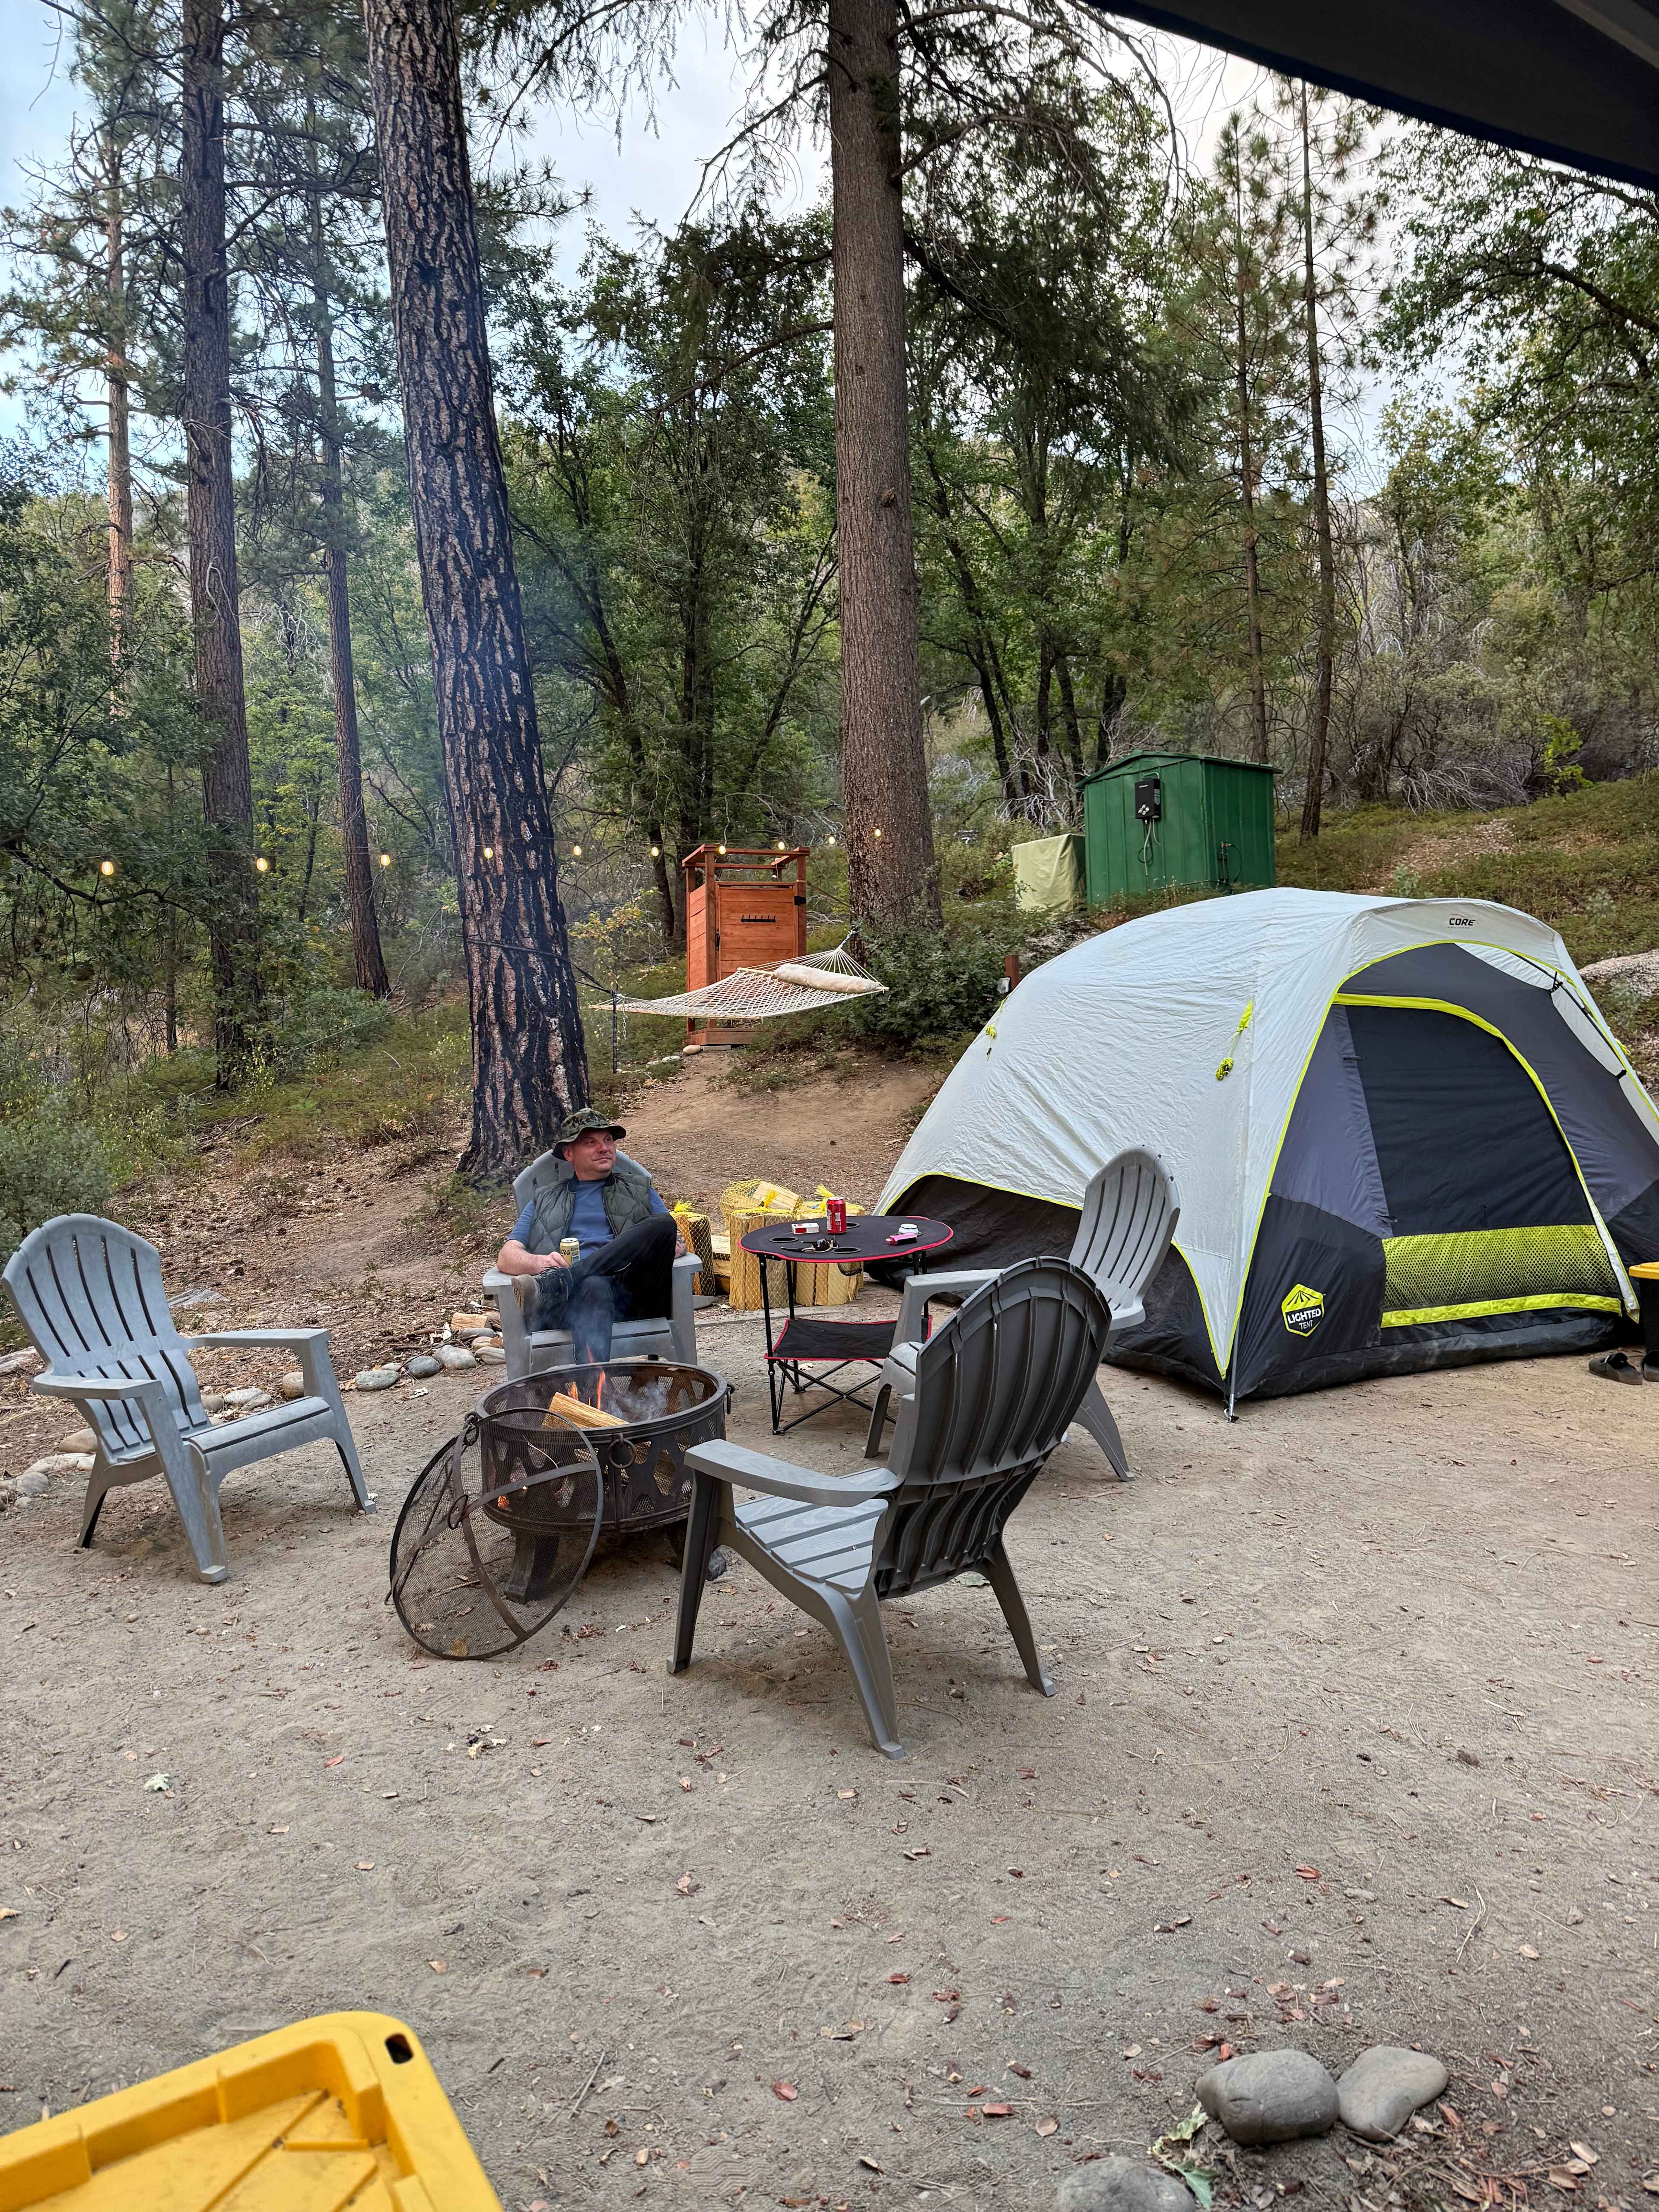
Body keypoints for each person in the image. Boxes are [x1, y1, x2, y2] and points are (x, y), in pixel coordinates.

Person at [495, 1107, 687, 1366]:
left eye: (608, 1140)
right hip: (570, 1304)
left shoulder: (639, 1189)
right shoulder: (544, 1199)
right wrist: (543, 1264)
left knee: (664, 1223)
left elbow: (673, 1240)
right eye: (591, 1142)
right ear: (569, 1153)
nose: (604, 1148)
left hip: (633, 1296)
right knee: (593, 1285)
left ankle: (566, 1278)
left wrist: (654, 1249)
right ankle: (595, 1394)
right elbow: (507, 1258)